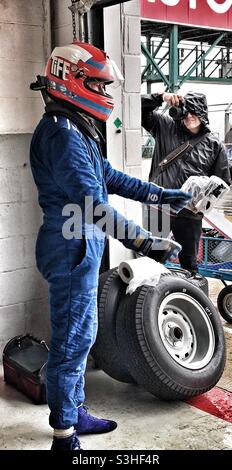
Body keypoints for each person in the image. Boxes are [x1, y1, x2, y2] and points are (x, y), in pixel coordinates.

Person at [30, 41, 191, 451]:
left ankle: (74, 410)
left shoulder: (76, 127)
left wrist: (164, 195)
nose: (106, 95)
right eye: (99, 86)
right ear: (72, 81)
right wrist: (145, 241)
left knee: (81, 335)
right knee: (72, 339)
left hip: (78, 243)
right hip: (70, 247)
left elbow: (112, 178)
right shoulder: (62, 134)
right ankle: (64, 435)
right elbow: (93, 205)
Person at [142, 90, 231, 275]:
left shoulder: (214, 145)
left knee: (189, 262)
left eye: (194, 111)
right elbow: (137, 107)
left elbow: (222, 182)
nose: (189, 115)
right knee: (152, 260)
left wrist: (203, 203)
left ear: (203, 113)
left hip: (190, 213)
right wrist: (161, 97)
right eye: (186, 111)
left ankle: (188, 297)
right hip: (159, 206)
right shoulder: (165, 125)